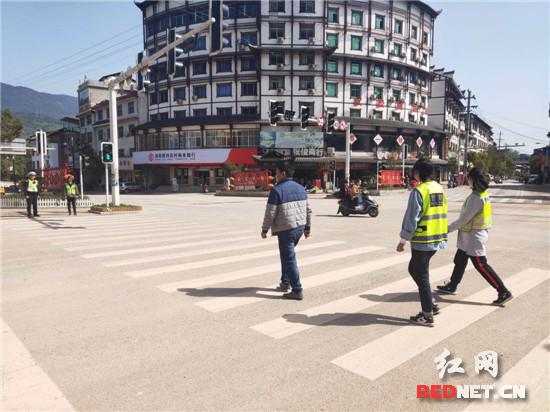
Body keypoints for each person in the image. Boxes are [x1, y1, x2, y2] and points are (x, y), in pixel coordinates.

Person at [436, 167, 513, 305]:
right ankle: (452, 285)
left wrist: (447, 229)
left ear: (473, 180)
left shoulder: (476, 198)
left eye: (469, 178)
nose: (467, 180)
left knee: (481, 265)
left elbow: (463, 219)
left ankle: (503, 291)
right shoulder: (482, 194)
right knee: (460, 260)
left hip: (474, 236)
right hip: (471, 234)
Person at [396, 159, 448, 327]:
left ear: (418, 172)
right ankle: (430, 304)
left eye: (414, 171)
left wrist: (403, 240)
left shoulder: (419, 191)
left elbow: (412, 218)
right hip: (436, 238)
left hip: (422, 239)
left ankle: (427, 314)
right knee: (414, 269)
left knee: (422, 275)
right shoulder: (438, 188)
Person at [261, 164, 312, 300]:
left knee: (289, 258)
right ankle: (285, 282)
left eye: (276, 172)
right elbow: (308, 210)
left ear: (283, 173)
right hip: (299, 228)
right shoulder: (301, 188)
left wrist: (265, 229)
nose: (275, 175)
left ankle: (297, 289)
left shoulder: (276, 190)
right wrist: (307, 227)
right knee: (286, 255)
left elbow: (270, 212)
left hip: (286, 229)